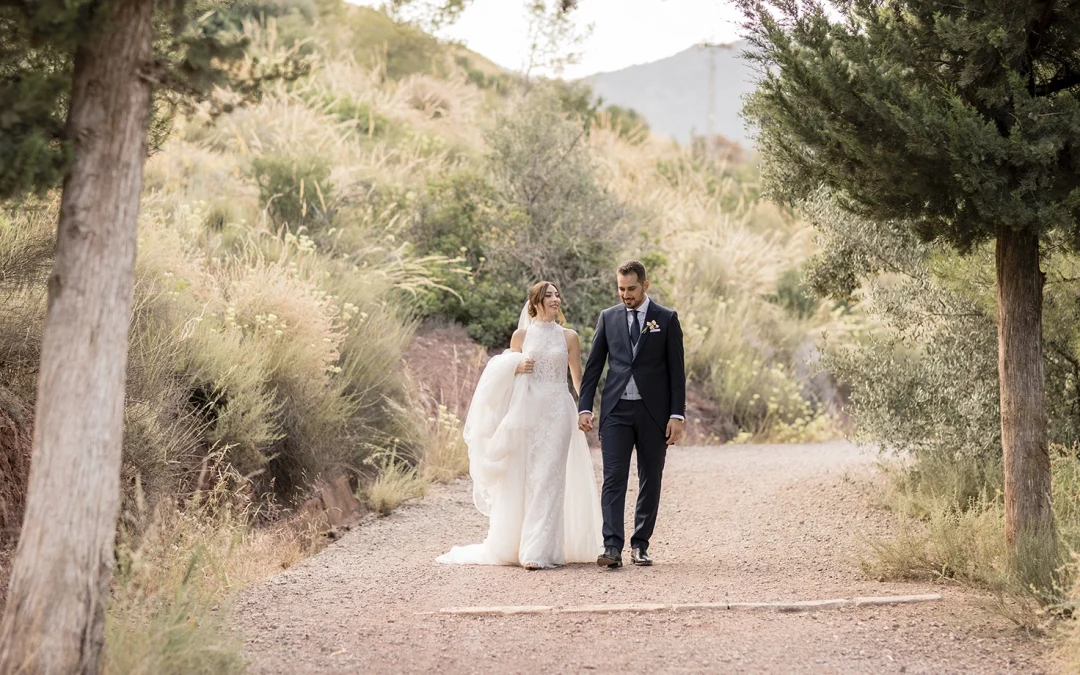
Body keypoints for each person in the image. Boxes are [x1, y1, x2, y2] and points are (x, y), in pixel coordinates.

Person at [436, 281, 603, 569]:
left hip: (559, 411)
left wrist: (585, 409)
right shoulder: (521, 336)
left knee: (550, 476)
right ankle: (520, 543)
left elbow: (578, 378)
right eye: (549, 295)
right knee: (528, 476)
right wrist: (515, 367)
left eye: (557, 295)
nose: (556, 299)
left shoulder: (570, 337)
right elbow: (498, 375)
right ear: (535, 302)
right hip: (529, 412)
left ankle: (538, 550)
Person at [577, 260, 686, 568]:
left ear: (645, 285)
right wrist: (585, 406)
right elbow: (594, 367)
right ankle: (612, 547)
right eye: (621, 289)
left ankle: (640, 545)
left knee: (651, 478)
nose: (626, 295)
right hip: (616, 411)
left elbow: (677, 373)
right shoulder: (608, 317)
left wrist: (677, 415)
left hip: (654, 413)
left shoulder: (666, 318)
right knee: (613, 478)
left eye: (632, 289)